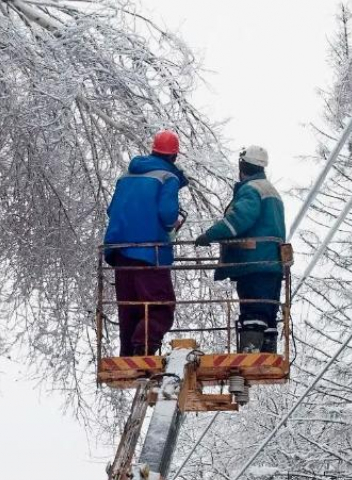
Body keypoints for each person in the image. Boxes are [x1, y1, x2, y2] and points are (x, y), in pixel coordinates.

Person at [103, 130, 188, 356]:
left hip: (119, 251)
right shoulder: (168, 177)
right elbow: (167, 214)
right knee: (160, 306)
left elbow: (112, 210)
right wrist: (172, 225)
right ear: (174, 156)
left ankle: (129, 354)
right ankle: (144, 346)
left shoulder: (125, 176)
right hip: (150, 252)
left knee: (129, 306)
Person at [194, 145, 286, 353]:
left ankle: (251, 349)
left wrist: (210, 234)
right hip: (273, 264)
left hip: (253, 263)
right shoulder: (271, 191)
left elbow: (239, 219)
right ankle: (267, 349)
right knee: (267, 310)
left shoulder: (251, 189)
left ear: (243, 165)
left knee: (253, 311)